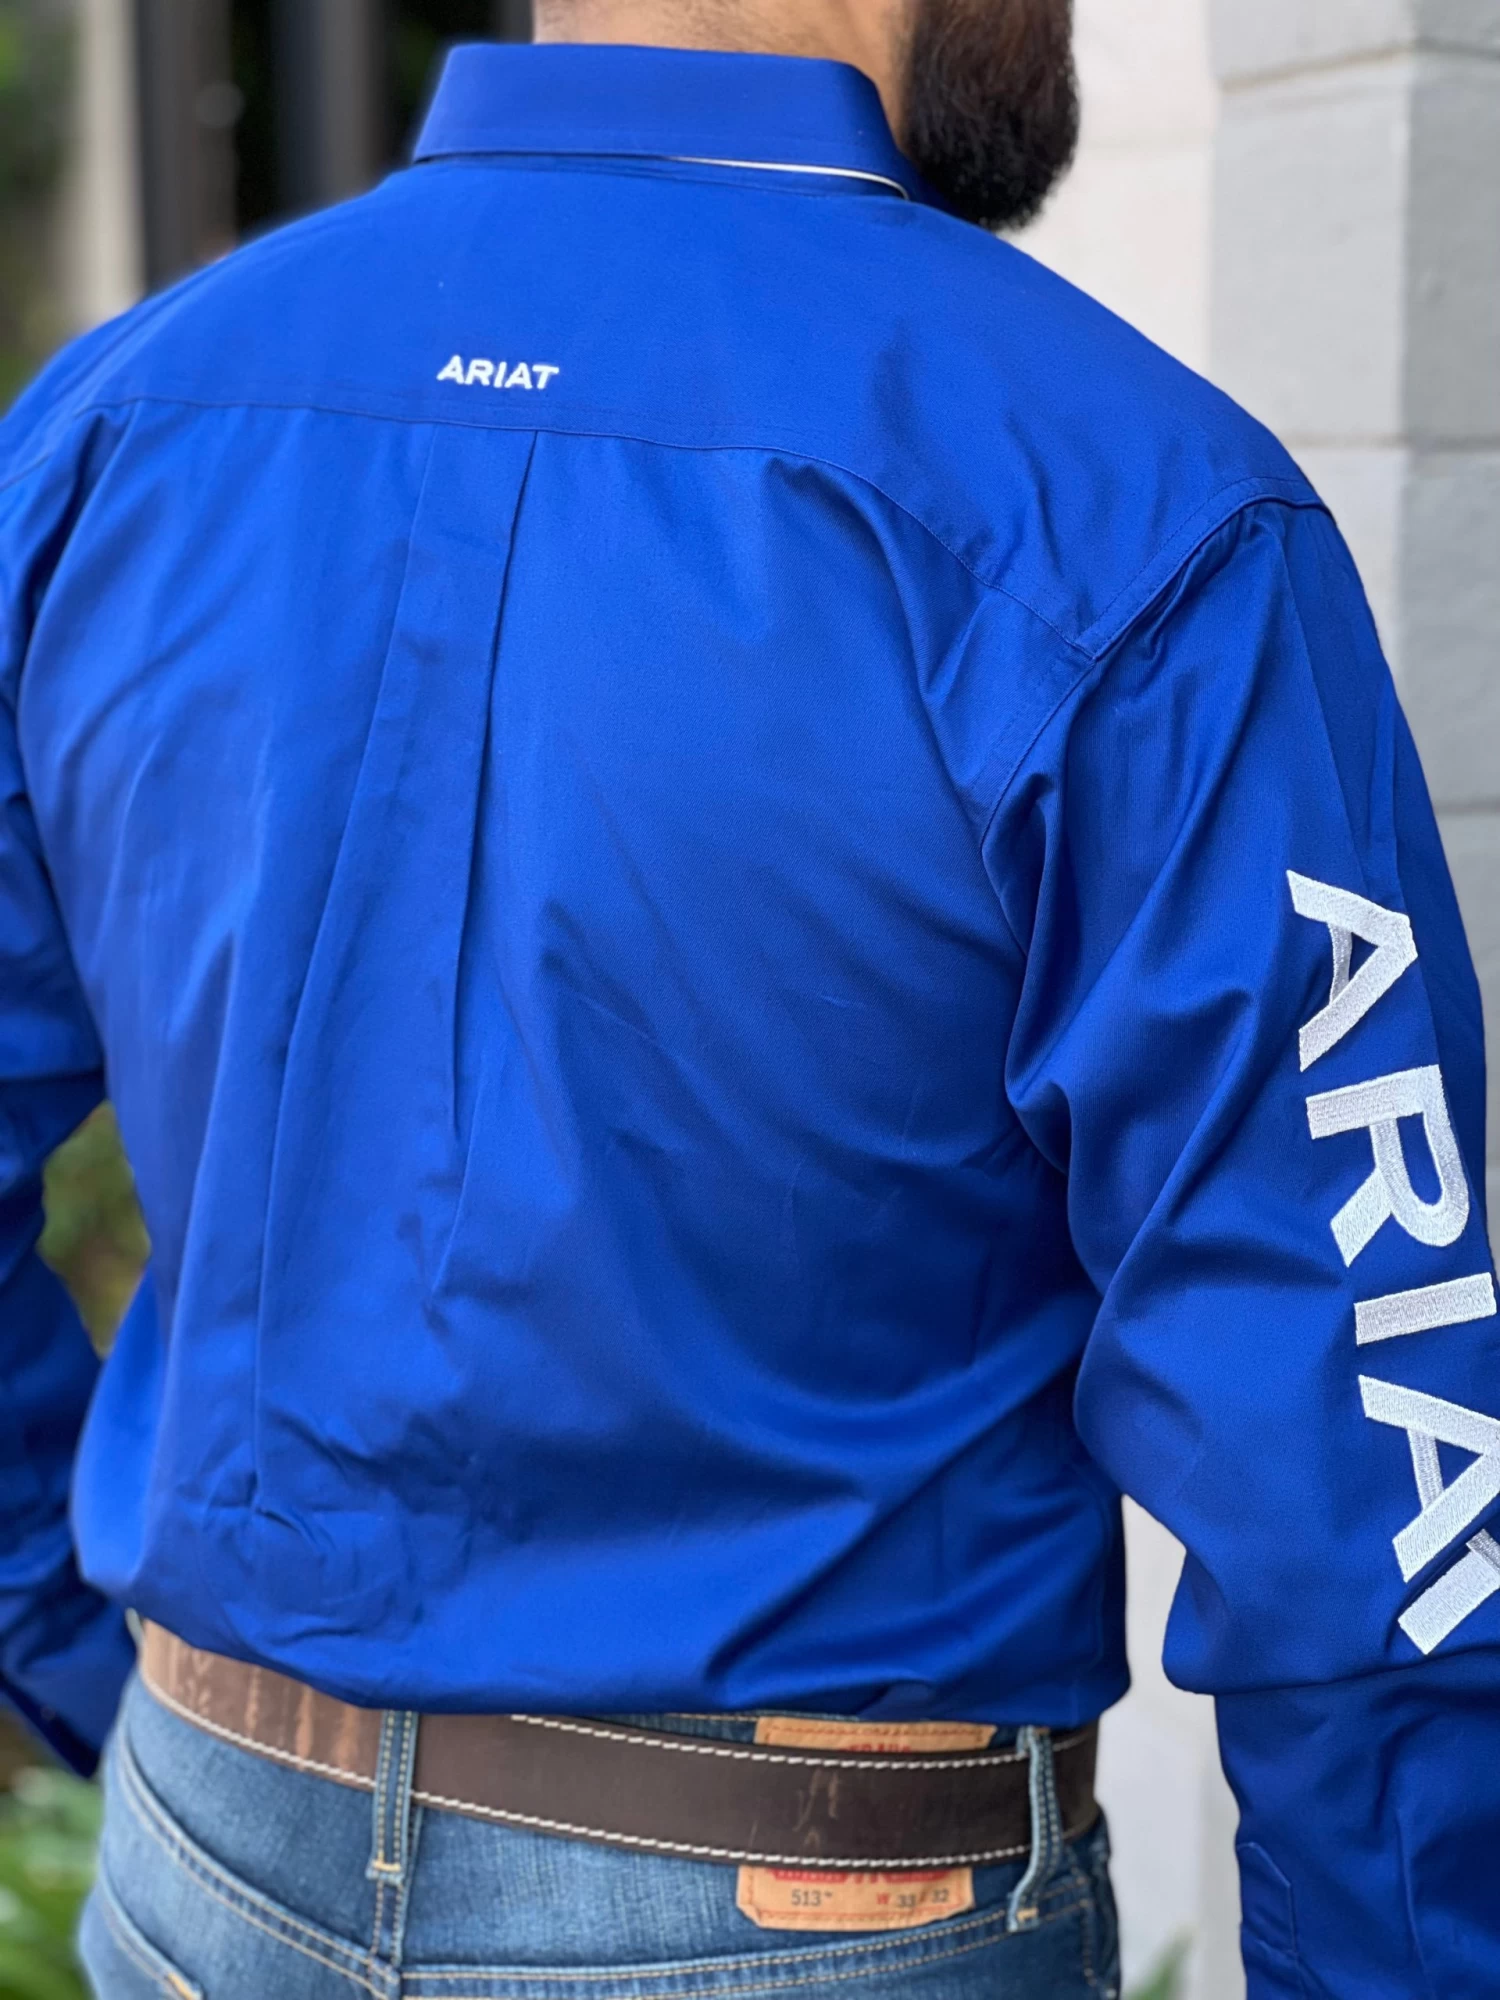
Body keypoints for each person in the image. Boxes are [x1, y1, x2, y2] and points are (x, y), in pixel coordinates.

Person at [1, 0, 1496, 1993]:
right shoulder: (1133, 506)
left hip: (206, 1853)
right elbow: (1370, 1452)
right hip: (809, 1918)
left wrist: (96, 1663)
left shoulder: (106, 434)